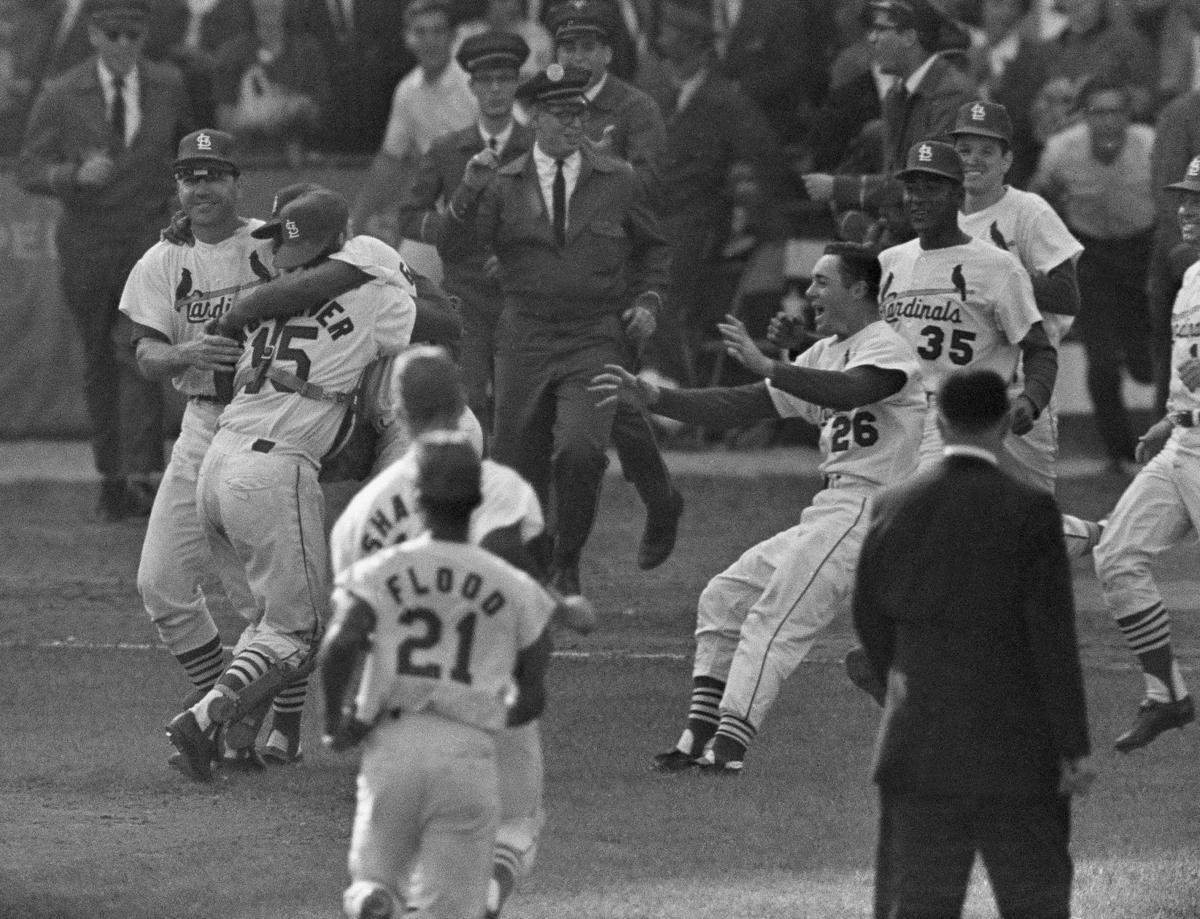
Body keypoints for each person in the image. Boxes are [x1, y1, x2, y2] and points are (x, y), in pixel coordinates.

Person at [591, 242, 927, 772]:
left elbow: (851, 391)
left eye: (822, 281)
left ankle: (727, 751)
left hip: (874, 509)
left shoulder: (887, 347)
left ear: (861, 289)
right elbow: (743, 403)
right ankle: (693, 739)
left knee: (776, 618)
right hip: (833, 507)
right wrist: (657, 400)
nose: (810, 292)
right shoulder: (822, 353)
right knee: (724, 596)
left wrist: (773, 364)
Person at [330, 346, 592, 919]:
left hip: (394, 713)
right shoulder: (498, 488)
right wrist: (555, 608)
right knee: (515, 825)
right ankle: (488, 895)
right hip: (486, 698)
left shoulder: (359, 514)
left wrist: (342, 717)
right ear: (463, 401)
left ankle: (375, 895)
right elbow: (506, 563)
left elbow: (348, 633)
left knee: (381, 865)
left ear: (396, 410)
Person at [164, 188, 416, 781]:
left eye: (289, 241)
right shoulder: (374, 277)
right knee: (299, 637)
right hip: (274, 467)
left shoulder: (271, 301)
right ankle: (200, 722)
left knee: (264, 623)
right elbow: (417, 324)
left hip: (218, 462)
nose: (280, 250)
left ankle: (224, 740)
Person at [852, 366, 1092, 919]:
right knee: (1034, 899)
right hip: (1017, 744)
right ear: (1006, 422)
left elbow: (869, 617)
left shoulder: (891, 505)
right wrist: (1073, 745)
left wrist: (906, 679)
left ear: (938, 420)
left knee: (917, 902)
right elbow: (1053, 638)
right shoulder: (1031, 510)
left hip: (919, 740)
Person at [439, 64, 672, 598]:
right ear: (536, 117)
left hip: (595, 334)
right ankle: (538, 555)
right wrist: (467, 192)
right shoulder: (500, 182)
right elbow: (456, 249)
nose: (574, 123)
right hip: (525, 335)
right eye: (562, 114)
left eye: (580, 114)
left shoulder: (618, 179)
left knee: (581, 449)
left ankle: (568, 558)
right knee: (517, 458)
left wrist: (649, 301)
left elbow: (654, 248)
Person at [117, 128, 270, 753]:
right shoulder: (162, 260)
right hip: (202, 422)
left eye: (213, 175)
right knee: (161, 585)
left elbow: (330, 243)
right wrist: (186, 350)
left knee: (262, 596)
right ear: (177, 186)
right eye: (190, 176)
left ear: (236, 181)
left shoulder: (270, 242)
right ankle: (223, 708)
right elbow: (146, 354)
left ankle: (257, 719)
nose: (201, 187)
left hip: (266, 425)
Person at [17, 0, 194, 520]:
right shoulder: (61, 92)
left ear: (144, 37)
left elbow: (187, 151)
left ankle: (141, 475)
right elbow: (28, 168)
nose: (123, 44)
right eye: (113, 33)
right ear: (93, 35)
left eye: (133, 34)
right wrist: (71, 176)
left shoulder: (168, 84)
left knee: (138, 350)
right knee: (99, 360)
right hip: (89, 244)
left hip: (147, 240)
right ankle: (113, 475)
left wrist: (185, 201)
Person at [547, 0, 685, 570]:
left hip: (619, 273)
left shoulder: (633, 107)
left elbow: (654, 185)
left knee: (604, 394)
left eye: (588, 46)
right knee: (612, 401)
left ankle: (565, 551)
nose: (578, 56)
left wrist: (603, 161)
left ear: (608, 51)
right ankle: (660, 497)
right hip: (556, 271)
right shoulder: (549, 103)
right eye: (568, 46)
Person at [1092, 155, 1200, 754]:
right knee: (1117, 556)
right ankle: (1167, 695)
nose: (1186, 207)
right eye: (1184, 196)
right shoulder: (1192, 278)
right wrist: (1168, 418)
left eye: (1198, 200)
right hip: (1185, 442)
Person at [398, 31, 534, 442]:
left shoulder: (537, 148)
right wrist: (451, 233)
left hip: (522, 292)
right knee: (471, 395)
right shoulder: (447, 150)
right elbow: (409, 216)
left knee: (520, 398)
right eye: (486, 81)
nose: (495, 91)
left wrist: (520, 251)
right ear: (472, 87)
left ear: (517, 85)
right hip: (466, 291)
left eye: (505, 80)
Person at [949, 99, 1082, 494]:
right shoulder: (946, 217)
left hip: (1020, 389)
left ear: (1007, 159)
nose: (973, 160)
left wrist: (1000, 277)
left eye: (986, 151)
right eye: (964, 150)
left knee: (1028, 521)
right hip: (958, 390)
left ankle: (1097, 539)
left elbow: (1067, 294)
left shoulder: (1027, 210)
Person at [1033, 74, 1156, 477]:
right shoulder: (1059, 152)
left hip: (1143, 251)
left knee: (1147, 361)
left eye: (1116, 111)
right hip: (1093, 254)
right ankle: (1120, 453)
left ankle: (1169, 442)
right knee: (1101, 357)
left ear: (1129, 114)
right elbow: (1037, 202)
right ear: (1085, 117)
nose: (1108, 122)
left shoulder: (1151, 146)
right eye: (1099, 112)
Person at [801, 0, 975, 232]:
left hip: (946, 236)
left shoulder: (950, 93)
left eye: (881, 30)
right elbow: (894, 178)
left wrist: (839, 187)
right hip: (905, 234)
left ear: (909, 37)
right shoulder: (896, 94)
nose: (872, 39)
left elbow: (927, 183)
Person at [350, 0, 476, 276]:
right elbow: (389, 160)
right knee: (404, 282)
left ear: (453, 37)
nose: (429, 41)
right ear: (409, 38)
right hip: (437, 212)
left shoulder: (475, 84)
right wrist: (355, 223)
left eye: (438, 31)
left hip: (485, 211)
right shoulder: (407, 91)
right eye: (421, 32)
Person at [211, 0, 328, 162]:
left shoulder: (308, 52)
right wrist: (261, 114)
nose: (268, 3)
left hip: (299, 162)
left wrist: (293, 108)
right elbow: (224, 121)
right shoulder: (230, 53)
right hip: (246, 163)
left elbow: (319, 113)